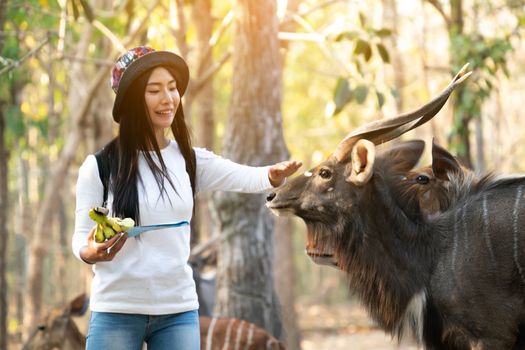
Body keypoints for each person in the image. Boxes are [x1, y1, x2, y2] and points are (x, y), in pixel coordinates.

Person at [71, 46, 302, 350]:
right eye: (154, 90)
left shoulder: (189, 161)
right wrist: (92, 252)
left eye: (172, 88)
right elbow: (79, 240)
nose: (168, 99)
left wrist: (271, 176)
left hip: (177, 311)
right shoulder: (100, 166)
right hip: (116, 309)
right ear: (131, 100)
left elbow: (243, 176)